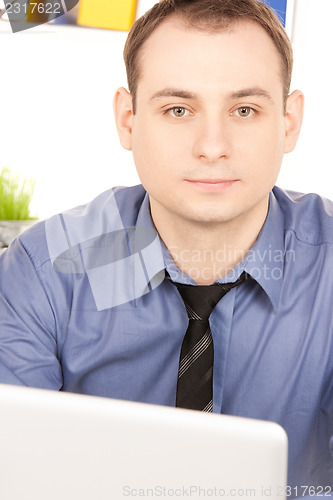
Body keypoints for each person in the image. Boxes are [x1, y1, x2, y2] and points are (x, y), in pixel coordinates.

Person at [0, 0, 332, 495]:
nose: (212, 145)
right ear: (128, 119)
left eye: (245, 109)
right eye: (179, 109)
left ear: (288, 122)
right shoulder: (41, 273)